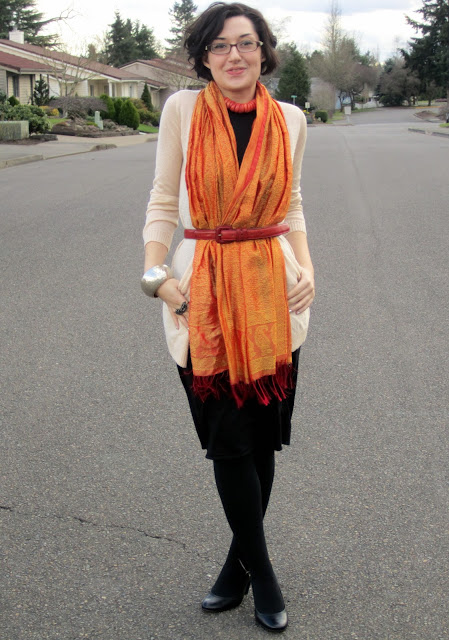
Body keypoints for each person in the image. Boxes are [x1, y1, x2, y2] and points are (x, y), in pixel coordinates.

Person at [141, 2, 315, 631]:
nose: (234, 55)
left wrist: (309, 268)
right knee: (228, 441)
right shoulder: (183, 111)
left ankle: (236, 567)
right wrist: (155, 276)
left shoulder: (290, 119)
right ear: (203, 57)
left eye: (246, 43)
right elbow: (164, 198)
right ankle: (262, 575)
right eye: (219, 45)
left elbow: (292, 203)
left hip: (274, 291)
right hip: (203, 293)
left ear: (264, 51)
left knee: (260, 438)